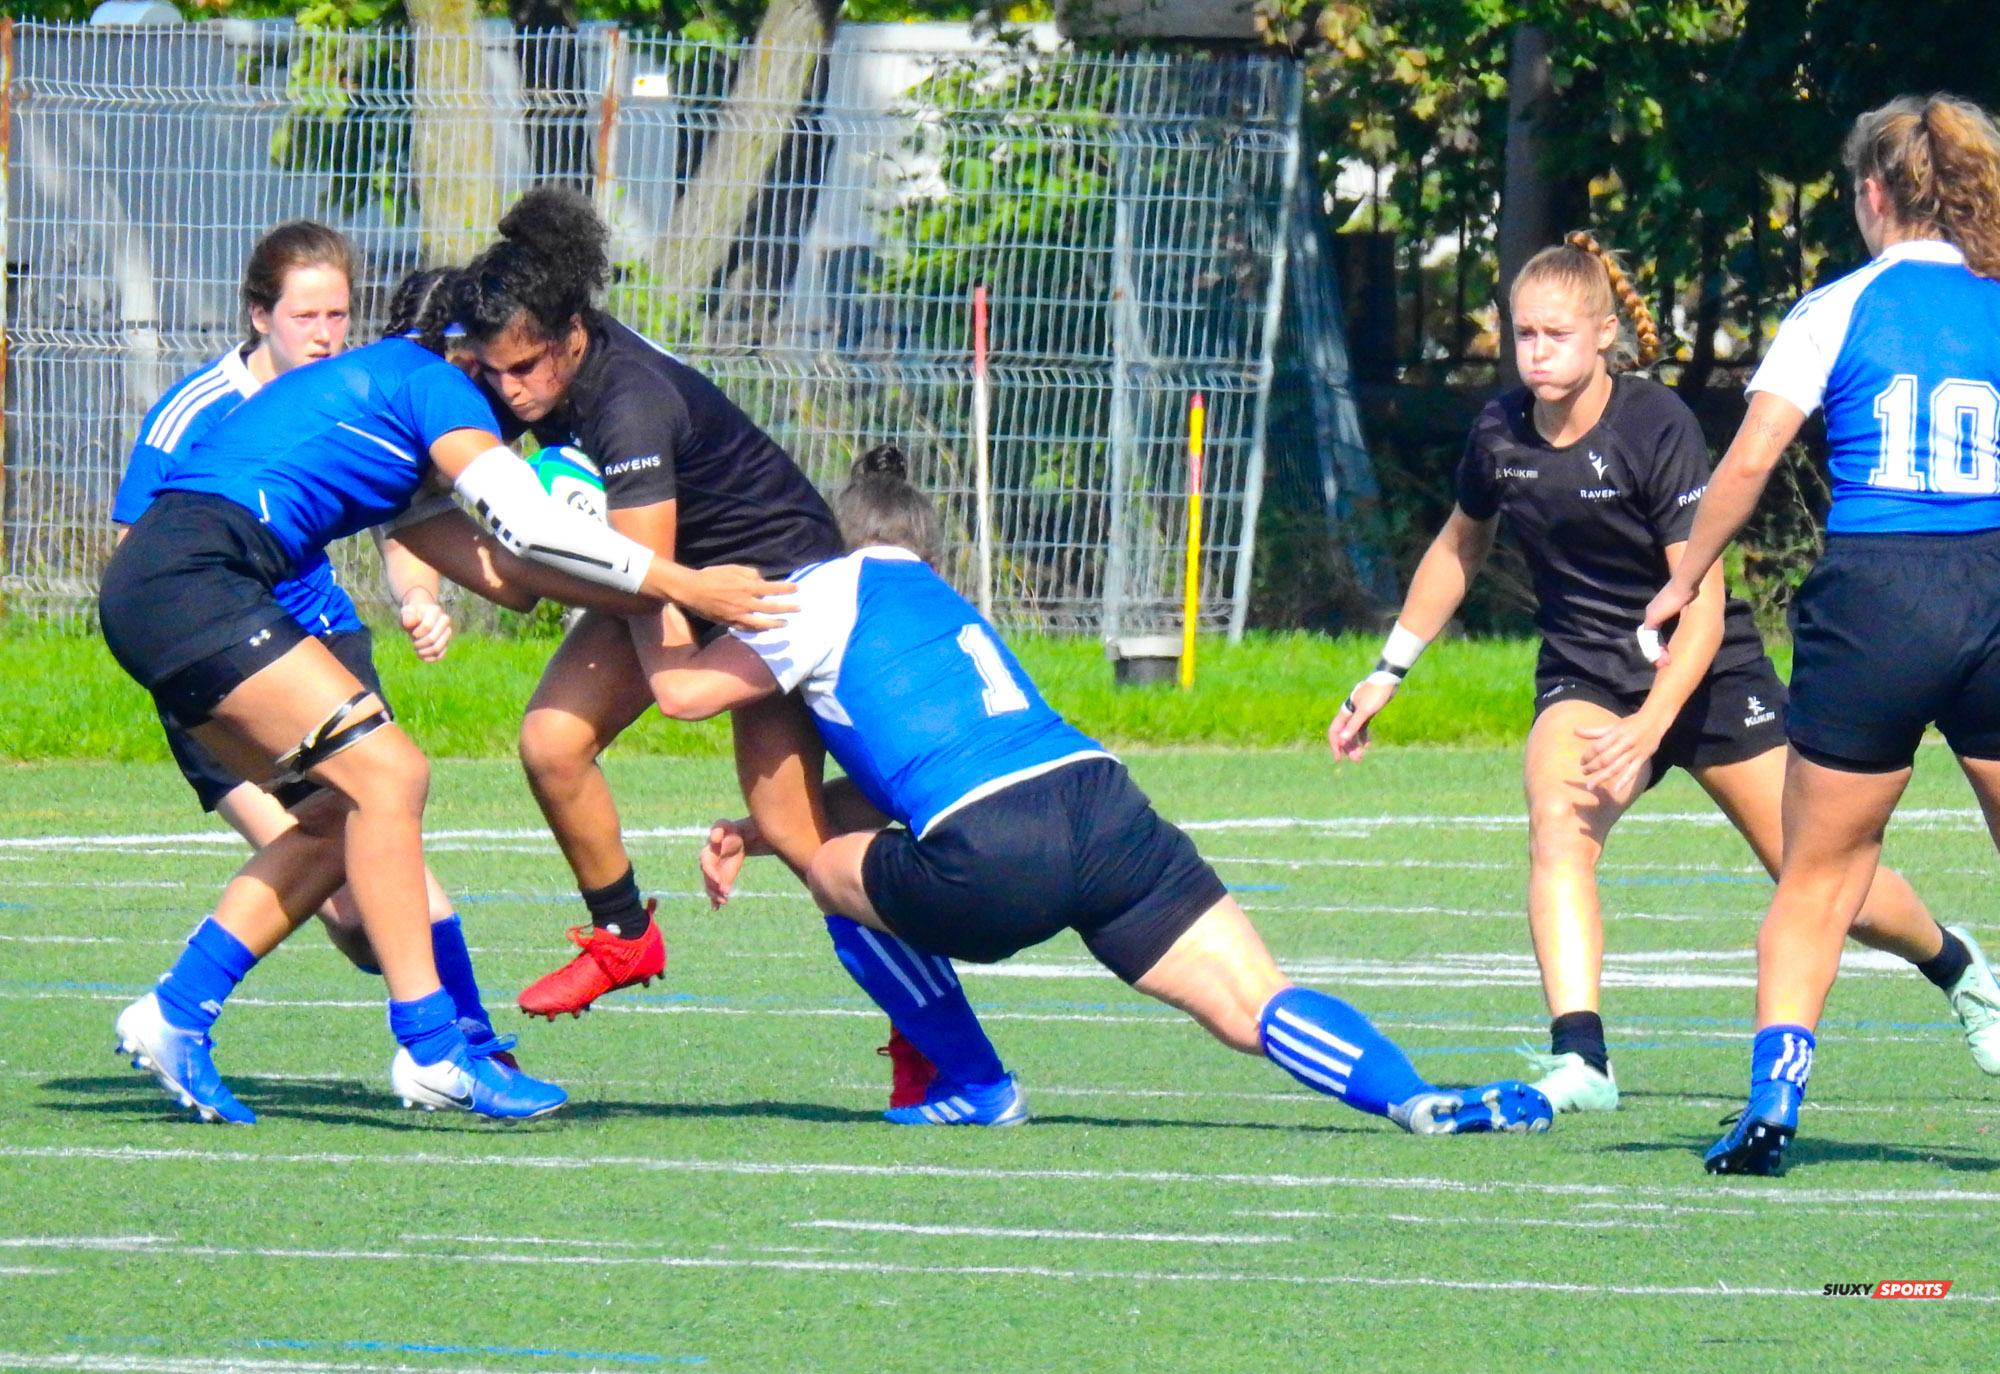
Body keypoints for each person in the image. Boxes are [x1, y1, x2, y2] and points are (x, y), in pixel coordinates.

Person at [646, 446, 1553, 1133]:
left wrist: (645, 584)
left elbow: (685, 694)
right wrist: (757, 829)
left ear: (842, 538)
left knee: (827, 875)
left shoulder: (817, 589)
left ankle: (976, 1086)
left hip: (993, 849)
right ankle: (1418, 1101)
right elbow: (913, 780)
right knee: (1252, 999)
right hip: (1102, 804)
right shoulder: (947, 604)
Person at [1329, 232, 1998, 1117]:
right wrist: (1387, 670)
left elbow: (1705, 602)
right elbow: (1460, 544)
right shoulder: (1498, 434)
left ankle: (1955, 964)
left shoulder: (1654, 425)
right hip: (1588, 673)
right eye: (1522, 335)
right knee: (1558, 824)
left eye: (1555, 335)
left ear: (1604, 334)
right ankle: (1583, 1060)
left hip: (1711, 674)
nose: (1535, 355)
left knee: (1824, 880)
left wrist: (1651, 728)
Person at [101, 267, 788, 1124]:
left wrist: (664, 594)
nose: (522, 394)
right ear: (466, 350)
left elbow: (515, 578)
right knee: (391, 778)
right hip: (196, 576)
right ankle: (433, 1050)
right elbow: (530, 527)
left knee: (333, 821)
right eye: (508, 368)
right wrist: (691, 582)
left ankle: (175, 1014)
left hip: (171, 586)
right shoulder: (431, 383)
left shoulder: (404, 423)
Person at [455, 187, 1014, 1120]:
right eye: (490, 369)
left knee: (803, 839)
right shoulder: (522, 357)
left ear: (573, 334)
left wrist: (535, 562)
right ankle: (625, 935)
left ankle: (949, 1060)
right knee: (552, 743)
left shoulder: (629, 407)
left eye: (522, 369)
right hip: (679, 572)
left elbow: (646, 573)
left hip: (773, 590)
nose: (507, 391)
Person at [1645, 95, 2000, 1174]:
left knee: (1817, 873)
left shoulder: (1834, 307)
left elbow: (1747, 464)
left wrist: (1684, 574)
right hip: (1992, 581)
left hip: (1874, 598)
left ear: (1873, 193)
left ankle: (1770, 1107)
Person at [109, 224, 518, 1060]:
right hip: (228, 654)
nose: (326, 332)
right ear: (260, 314)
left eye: (339, 313)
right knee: (358, 903)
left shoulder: (348, 384)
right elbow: (140, 555)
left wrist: (416, 596)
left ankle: (470, 1048)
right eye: (306, 314)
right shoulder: (198, 408)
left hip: (321, 640)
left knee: (382, 848)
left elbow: (404, 511)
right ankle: (182, 1012)